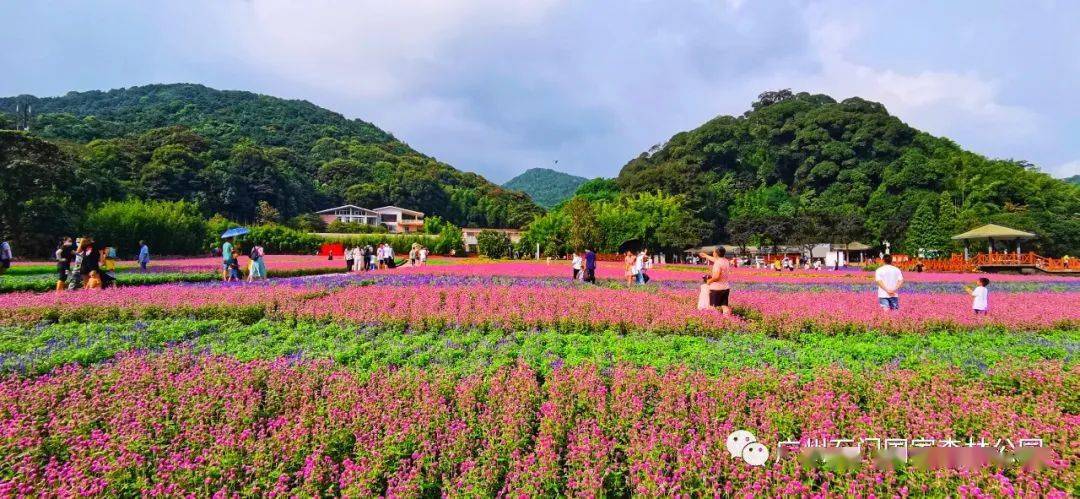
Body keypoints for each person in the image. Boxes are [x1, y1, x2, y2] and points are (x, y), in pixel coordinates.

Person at [698, 247, 732, 315]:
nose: (713, 253)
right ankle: (727, 319)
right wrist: (705, 256)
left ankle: (716, 320)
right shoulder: (726, 261)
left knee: (712, 307)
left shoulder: (717, 263)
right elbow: (714, 259)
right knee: (724, 306)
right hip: (725, 287)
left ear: (716, 253)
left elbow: (716, 277)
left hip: (716, 288)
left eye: (713, 252)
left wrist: (709, 281)